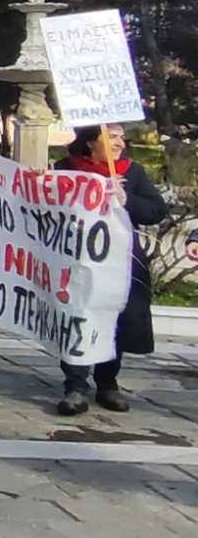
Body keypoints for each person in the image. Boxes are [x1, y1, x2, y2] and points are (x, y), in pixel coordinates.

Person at [56, 124, 168, 416]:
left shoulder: (132, 173)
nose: (120, 143)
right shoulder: (67, 168)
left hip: (121, 263)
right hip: (77, 262)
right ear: (91, 142)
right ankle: (75, 386)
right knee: (78, 317)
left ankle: (107, 383)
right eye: (112, 137)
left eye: (121, 137)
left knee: (115, 319)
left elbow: (157, 211)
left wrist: (125, 199)